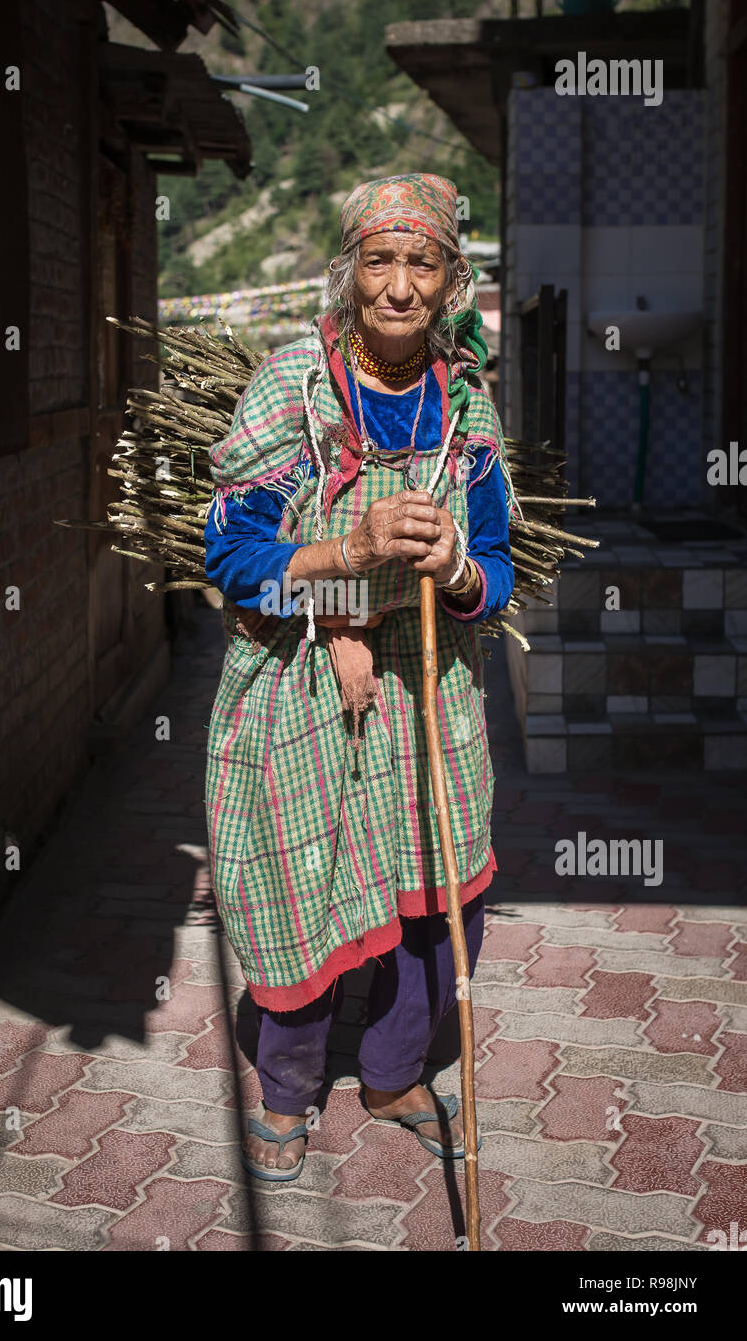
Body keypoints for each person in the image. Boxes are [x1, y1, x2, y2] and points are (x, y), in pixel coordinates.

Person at [202, 174, 515, 1182]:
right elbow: (231, 561)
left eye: (420, 264)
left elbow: (500, 568)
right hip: (297, 679)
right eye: (377, 262)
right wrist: (347, 558)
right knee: (300, 883)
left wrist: (458, 568)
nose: (397, 285)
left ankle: (389, 1073)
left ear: (448, 280)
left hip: (426, 679)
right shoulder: (295, 384)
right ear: (347, 275)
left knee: (434, 890)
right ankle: (287, 1089)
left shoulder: (463, 402)